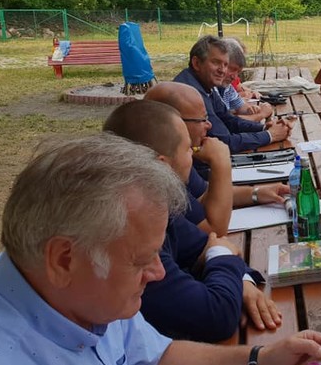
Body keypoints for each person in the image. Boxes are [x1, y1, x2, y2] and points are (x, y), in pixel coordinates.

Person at [0, 134, 321, 364]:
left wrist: (262, 358)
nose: (159, 272)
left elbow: (158, 353)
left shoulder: (84, 293)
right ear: (63, 259)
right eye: (140, 260)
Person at [103, 101, 282, 342]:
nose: (194, 154)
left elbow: (212, 245)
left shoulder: (158, 205)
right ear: (162, 165)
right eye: (189, 149)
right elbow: (216, 315)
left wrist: (242, 282)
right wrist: (223, 260)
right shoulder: (131, 230)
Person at [145, 81, 290, 227]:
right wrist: (220, 162)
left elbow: (205, 195)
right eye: (202, 119)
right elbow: (214, 228)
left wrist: (256, 193)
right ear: (174, 123)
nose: (209, 125)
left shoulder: (177, 154)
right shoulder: (161, 171)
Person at [174, 35, 292, 153]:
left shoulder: (206, 86)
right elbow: (225, 142)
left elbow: (229, 120)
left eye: (225, 65)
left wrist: (263, 128)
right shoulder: (190, 93)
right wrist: (270, 135)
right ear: (196, 63)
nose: (222, 70)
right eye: (216, 63)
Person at [218, 38, 272, 122]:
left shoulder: (227, 87)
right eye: (232, 69)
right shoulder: (209, 89)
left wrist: (252, 110)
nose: (234, 77)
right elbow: (225, 122)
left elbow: (240, 106)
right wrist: (261, 115)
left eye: (238, 72)